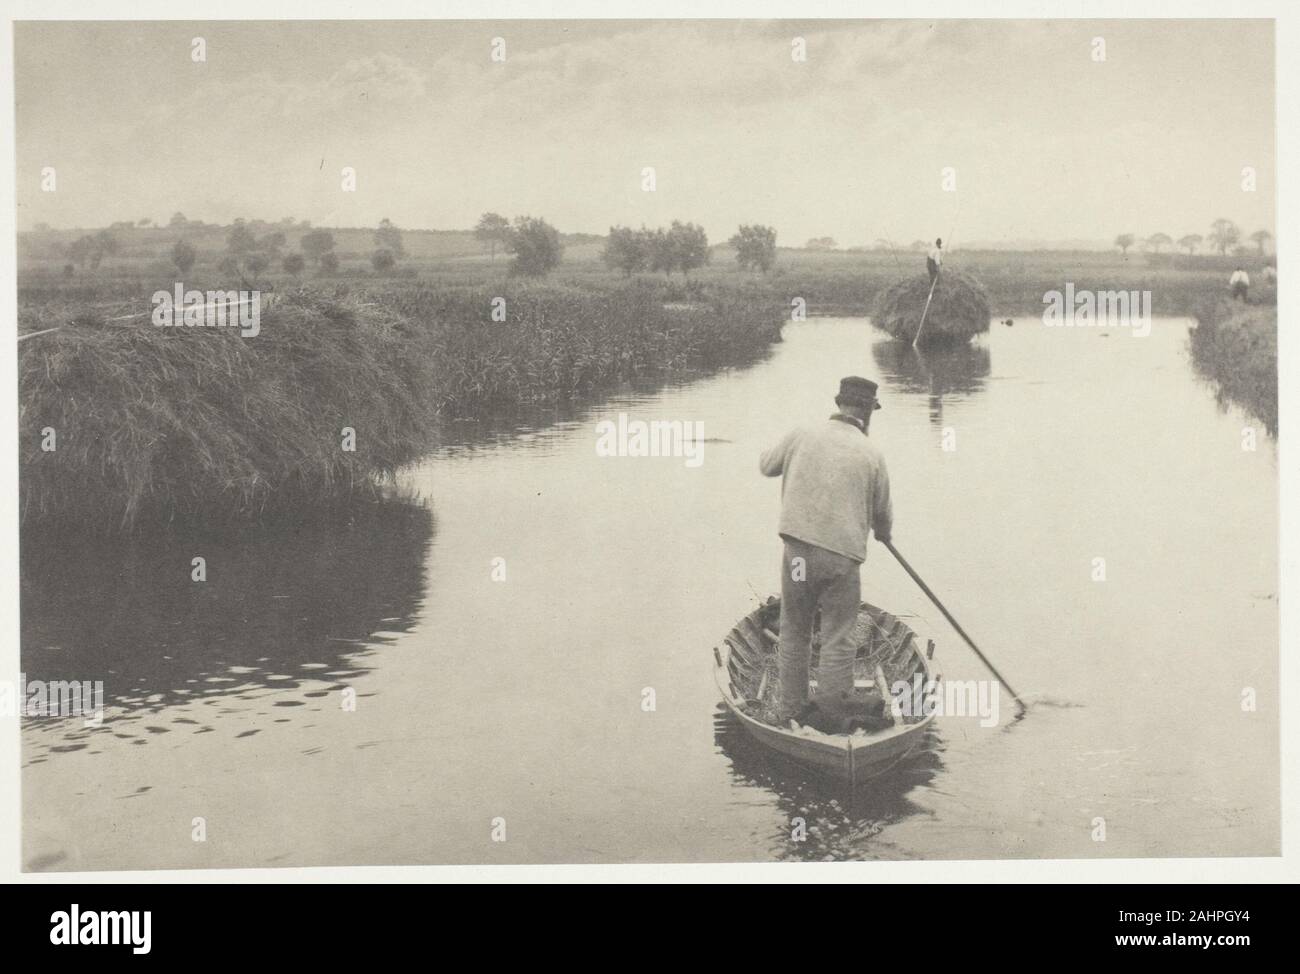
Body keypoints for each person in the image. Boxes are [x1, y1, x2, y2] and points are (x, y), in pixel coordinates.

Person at [759, 376, 893, 729]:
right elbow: (883, 515)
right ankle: (831, 715)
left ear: (839, 404)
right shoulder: (872, 453)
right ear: (866, 412)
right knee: (838, 635)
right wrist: (884, 532)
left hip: (799, 556)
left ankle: (791, 710)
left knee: (795, 629)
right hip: (840, 563)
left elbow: (766, 466)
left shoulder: (801, 433)